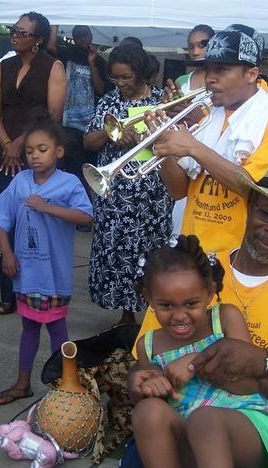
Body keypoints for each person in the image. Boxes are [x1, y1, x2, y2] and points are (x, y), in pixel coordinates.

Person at [122, 158, 268, 467]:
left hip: (246, 442)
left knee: (206, 422)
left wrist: (262, 363)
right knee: (147, 417)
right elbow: (150, 353)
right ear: (250, 204)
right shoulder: (194, 271)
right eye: (267, 212)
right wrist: (140, 378)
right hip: (176, 429)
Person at [131, 234, 268, 468]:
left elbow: (249, 385)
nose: (179, 315)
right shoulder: (148, 344)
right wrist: (146, 384)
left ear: (209, 292)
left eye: (191, 304)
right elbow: (149, 399)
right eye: (166, 305)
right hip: (188, 434)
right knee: (147, 412)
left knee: (204, 421)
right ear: (149, 298)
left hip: (246, 426)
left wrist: (197, 362)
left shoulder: (225, 318)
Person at [152, 24, 268, 257]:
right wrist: (163, 149)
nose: (210, 79)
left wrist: (192, 147)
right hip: (193, 248)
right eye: (208, 70)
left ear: (251, 74)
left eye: (221, 70)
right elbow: (178, 191)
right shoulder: (210, 114)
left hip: (237, 255)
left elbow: (255, 190)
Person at [0, 122, 93, 405]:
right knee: (29, 328)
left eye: (42, 149)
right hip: (26, 273)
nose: (35, 156)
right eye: (29, 151)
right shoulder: (20, 182)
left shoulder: (69, 183)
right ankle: (23, 384)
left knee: (58, 329)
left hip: (54, 275)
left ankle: (64, 386)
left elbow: (86, 217)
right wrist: (5, 254)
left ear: (58, 152)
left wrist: (48, 208)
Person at [84, 44, 173, 326]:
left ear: (140, 73)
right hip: (117, 194)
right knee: (120, 252)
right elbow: (88, 141)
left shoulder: (161, 100)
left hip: (153, 194)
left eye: (126, 77)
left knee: (150, 252)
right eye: (116, 78)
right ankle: (126, 314)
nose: (120, 84)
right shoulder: (109, 102)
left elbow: (175, 138)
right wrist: (111, 135)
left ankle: (152, 312)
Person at [0, 11, 68, 316]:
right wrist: (7, 143)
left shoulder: (53, 67)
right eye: (14, 30)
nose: (15, 35)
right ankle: (8, 291)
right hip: (5, 151)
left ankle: (33, 288)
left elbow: (53, 115)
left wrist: (21, 143)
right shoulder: (2, 67)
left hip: (35, 153)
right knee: (4, 217)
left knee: (30, 219)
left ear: (37, 40)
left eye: (22, 32)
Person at [163, 24, 215, 236]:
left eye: (202, 45)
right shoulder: (182, 81)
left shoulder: (219, 80)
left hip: (209, 152)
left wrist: (196, 115)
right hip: (180, 157)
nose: (195, 51)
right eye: (191, 46)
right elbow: (173, 119)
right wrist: (167, 106)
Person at [47, 25, 109, 198]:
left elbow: (101, 89)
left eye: (85, 36)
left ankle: (89, 207)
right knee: (74, 168)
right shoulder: (67, 54)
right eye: (78, 36)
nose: (83, 39)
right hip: (68, 123)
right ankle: (77, 205)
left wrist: (92, 63)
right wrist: (57, 20)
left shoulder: (99, 61)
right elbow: (51, 46)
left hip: (91, 125)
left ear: (90, 36)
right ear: (73, 38)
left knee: (92, 169)